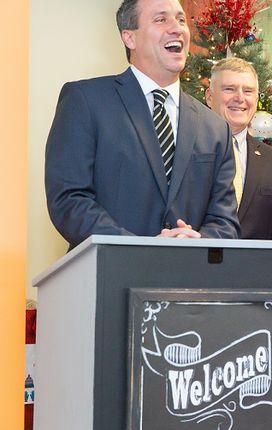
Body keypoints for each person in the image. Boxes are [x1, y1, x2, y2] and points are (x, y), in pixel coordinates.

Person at [45, 0, 239, 250]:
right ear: (129, 38)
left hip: (191, 280)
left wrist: (196, 244)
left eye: (181, 20)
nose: (177, 28)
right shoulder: (85, 100)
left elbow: (225, 222)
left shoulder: (215, 127)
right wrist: (138, 248)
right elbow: (69, 200)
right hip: (108, 276)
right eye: (161, 20)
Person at [205, 58, 272, 240]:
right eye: (229, 89)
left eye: (248, 91)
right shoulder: (186, 153)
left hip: (258, 268)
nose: (240, 98)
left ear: (256, 99)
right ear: (209, 97)